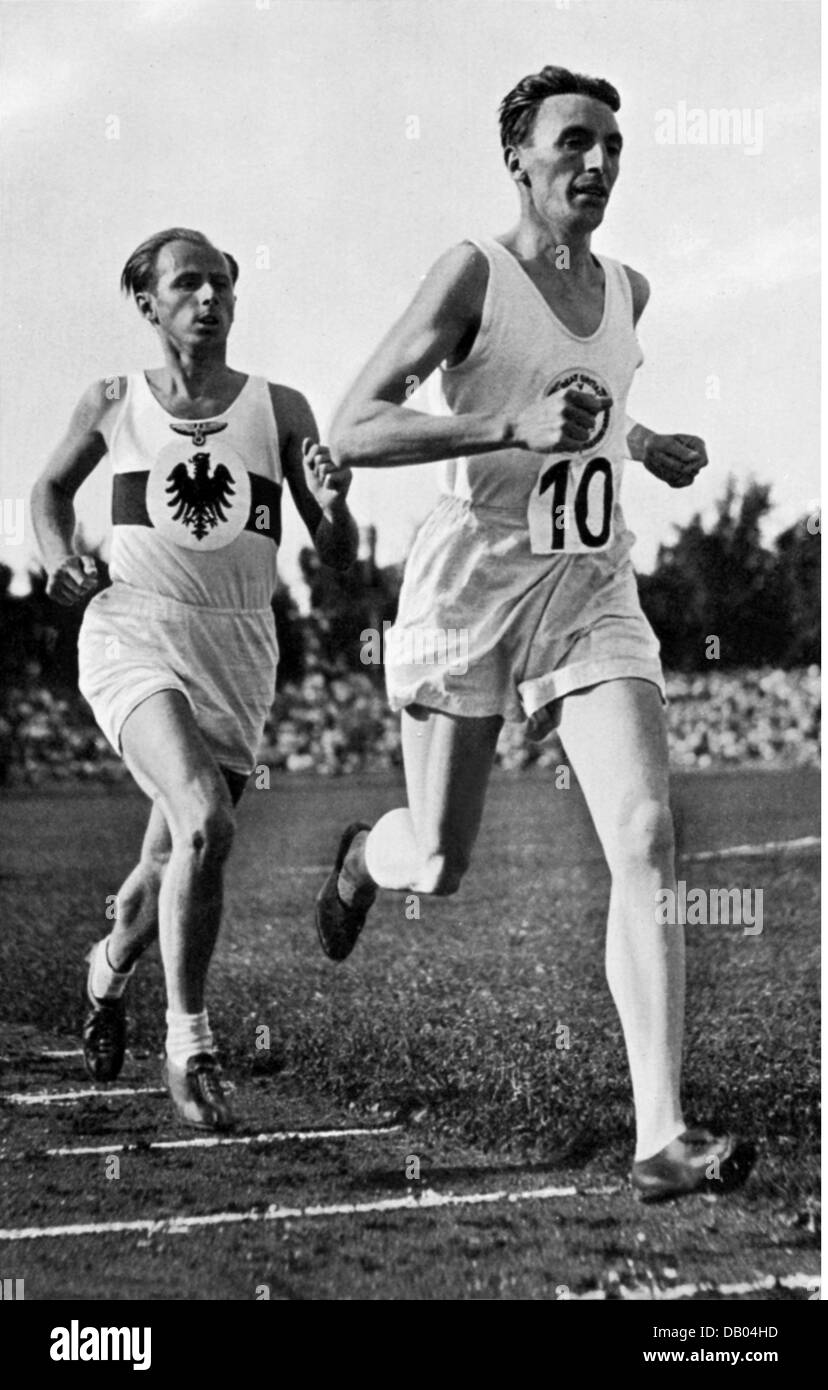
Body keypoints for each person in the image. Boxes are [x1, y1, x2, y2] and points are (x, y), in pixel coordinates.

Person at [313, 67, 753, 1201]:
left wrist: (639, 443)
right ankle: (370, 855)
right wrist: (507, 421)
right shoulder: (473, 273)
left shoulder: (627, 290)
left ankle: (661, 1133)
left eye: (613, 145)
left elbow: (583, 398)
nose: (597, 164)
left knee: (649, 834)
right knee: (443, 863)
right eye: (574, 143)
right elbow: (355, 421)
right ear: (519, 155)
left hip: (588, 593)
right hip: (471, 586)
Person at [31, 227, 357, 1131]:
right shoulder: (111, 400)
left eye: (221, 285)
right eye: (188, 285)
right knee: (207, 821)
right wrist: (60, 558)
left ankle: (106, 976)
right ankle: (189, 1045)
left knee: (162, 869)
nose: (209, 300)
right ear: (147, 302)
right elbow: (49, 492)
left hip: (238, 651)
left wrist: (336, 512)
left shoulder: (281, 407)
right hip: (132, 632)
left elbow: (339, 556)